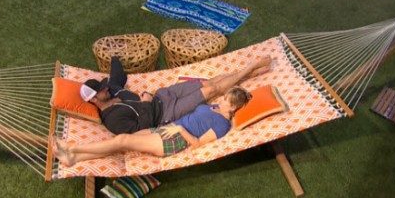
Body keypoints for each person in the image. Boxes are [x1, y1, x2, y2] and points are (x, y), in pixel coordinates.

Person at [52, 86, 252, 167]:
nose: (221, 100)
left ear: (233, 107)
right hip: (167, 128)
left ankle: (72, 148)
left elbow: (198, 144)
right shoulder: (216, 107)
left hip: (175, 139)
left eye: (225, 100)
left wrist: (180, 130)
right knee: (120, 142)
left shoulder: (222, 124)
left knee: (122, 139)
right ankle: (75, 158)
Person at [80, 56, 273, 135]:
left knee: (210, 82)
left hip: (163, 95)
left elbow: (117, 76)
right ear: (94, 100)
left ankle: (250, 74)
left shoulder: (113, 89)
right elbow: (141, 129)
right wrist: (145, 103)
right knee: (211, 91)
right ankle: (252, 67)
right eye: (101, 90)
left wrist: (115, 57)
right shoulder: (113, 120)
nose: (106, 89)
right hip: (166, 113)